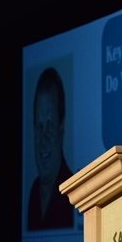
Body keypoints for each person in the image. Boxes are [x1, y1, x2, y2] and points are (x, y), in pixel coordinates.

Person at [27, 67, 74, 231]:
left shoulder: (73, 193)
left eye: (50, 126)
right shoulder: (33, 193)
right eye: (39, 127)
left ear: (61, 128)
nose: (43, 138)